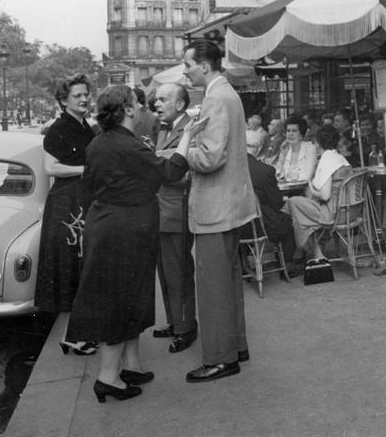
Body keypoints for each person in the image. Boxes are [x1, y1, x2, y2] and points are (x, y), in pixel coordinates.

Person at [65, 84, 204, 402]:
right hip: (124, 231)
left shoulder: (103, 141)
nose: (143, 106)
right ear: (127, 110)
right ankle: (108, 378)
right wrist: (188, 134)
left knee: (128, 296)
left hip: (110, 227)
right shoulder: (127, 146)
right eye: (137, 103)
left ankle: (130, 366)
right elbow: (170, 171)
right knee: (119, 300)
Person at [182, 39, 256, 384]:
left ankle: (220, 358)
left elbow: (210, 158)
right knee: (228, 283)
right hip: (232, 204)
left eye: (188, 65)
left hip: (214, 207)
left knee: (212, 288)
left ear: (205, 66)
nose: (185, 71)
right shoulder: (230, 94)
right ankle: (235, 347)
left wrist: (185, 152)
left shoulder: (214, 97)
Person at [34, 74, 98, 356]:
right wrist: (84, 170)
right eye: (77, 96)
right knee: (72, 267)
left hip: (83, 200)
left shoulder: (87, 127)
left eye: (86, 94)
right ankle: (71, 336)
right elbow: (50, 167)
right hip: (67, 204)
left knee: (82, 267)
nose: (84, 99)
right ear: (63, 100)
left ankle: (76, 333)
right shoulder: (58, 129)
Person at [151, 83, 198, 354]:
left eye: (163, 99)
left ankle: (185, 327)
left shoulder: (190, 129)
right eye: (156, 99)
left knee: (178, 273)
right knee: (166, 272)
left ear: (180, 105)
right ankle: (174, 322)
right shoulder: (164, 128)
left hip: (177, 211)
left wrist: (158, 162)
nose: (157, 104)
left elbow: (190, 171)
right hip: (162, 211)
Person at [284, 125, 351, 263]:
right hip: (348, 210)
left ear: (318, 143)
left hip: (332, 213)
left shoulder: (327, 160)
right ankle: (314, 251)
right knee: (301, 206)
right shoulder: (340, 158)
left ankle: (303, 249)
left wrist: (313, 191)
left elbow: (325, 195)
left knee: (293, 203)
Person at [245, 131, 300, 275]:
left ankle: (244, 265)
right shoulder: (265, 171)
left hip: (236, 224)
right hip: (259, 225)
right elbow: (276, 203)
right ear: (258, 149)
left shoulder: (231, 169)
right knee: (287, 221)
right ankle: (287, 265)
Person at [275, 115, 318, 182]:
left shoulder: (310, 148)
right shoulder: (286, 149)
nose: (290, 134)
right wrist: (283, 156)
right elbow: (278, 175)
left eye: (294, 131)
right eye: (288, 131)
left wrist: (287, 178)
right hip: (286, 190)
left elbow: (307, 176)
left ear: (301, 134)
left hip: (304, 190)